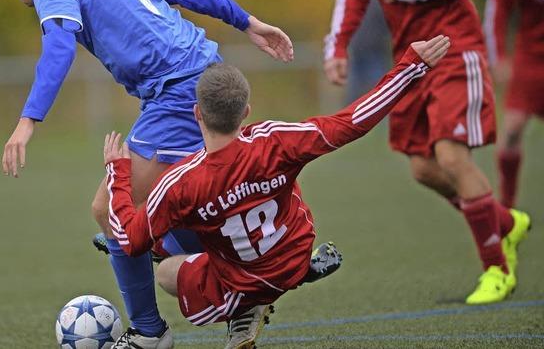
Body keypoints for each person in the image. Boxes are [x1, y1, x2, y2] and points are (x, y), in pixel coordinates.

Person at [0, 0, 293, 347]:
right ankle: (251, 277)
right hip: (203, 73)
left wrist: (28, 120)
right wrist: (245, 21)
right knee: (167, 208)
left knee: (110, 209)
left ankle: (151, 332)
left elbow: (59, 47)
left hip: (178, 92)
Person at [103, 36, 450, 349]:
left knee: (165, 271)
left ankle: (245, 307)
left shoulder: (181, 182)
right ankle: (283, 279)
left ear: (197, 114)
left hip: (244, 278)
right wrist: (410, 67)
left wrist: (118, 172)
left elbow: (130, 239)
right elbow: (353, 121)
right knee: (179, 227)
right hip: (295, 256)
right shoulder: (275, 141)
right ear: (246, 113)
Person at [322, 0, 530, 304]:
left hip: (454, 48)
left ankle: (497, 269)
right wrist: (337, 47)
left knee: (451, 156)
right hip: (412, 58)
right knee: (422, 168)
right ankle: (504, 221)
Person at [484, 0, 544, 210]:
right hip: (530, 59)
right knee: (510, 132)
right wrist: (498, 58)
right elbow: (498, 5)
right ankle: (508, 206)